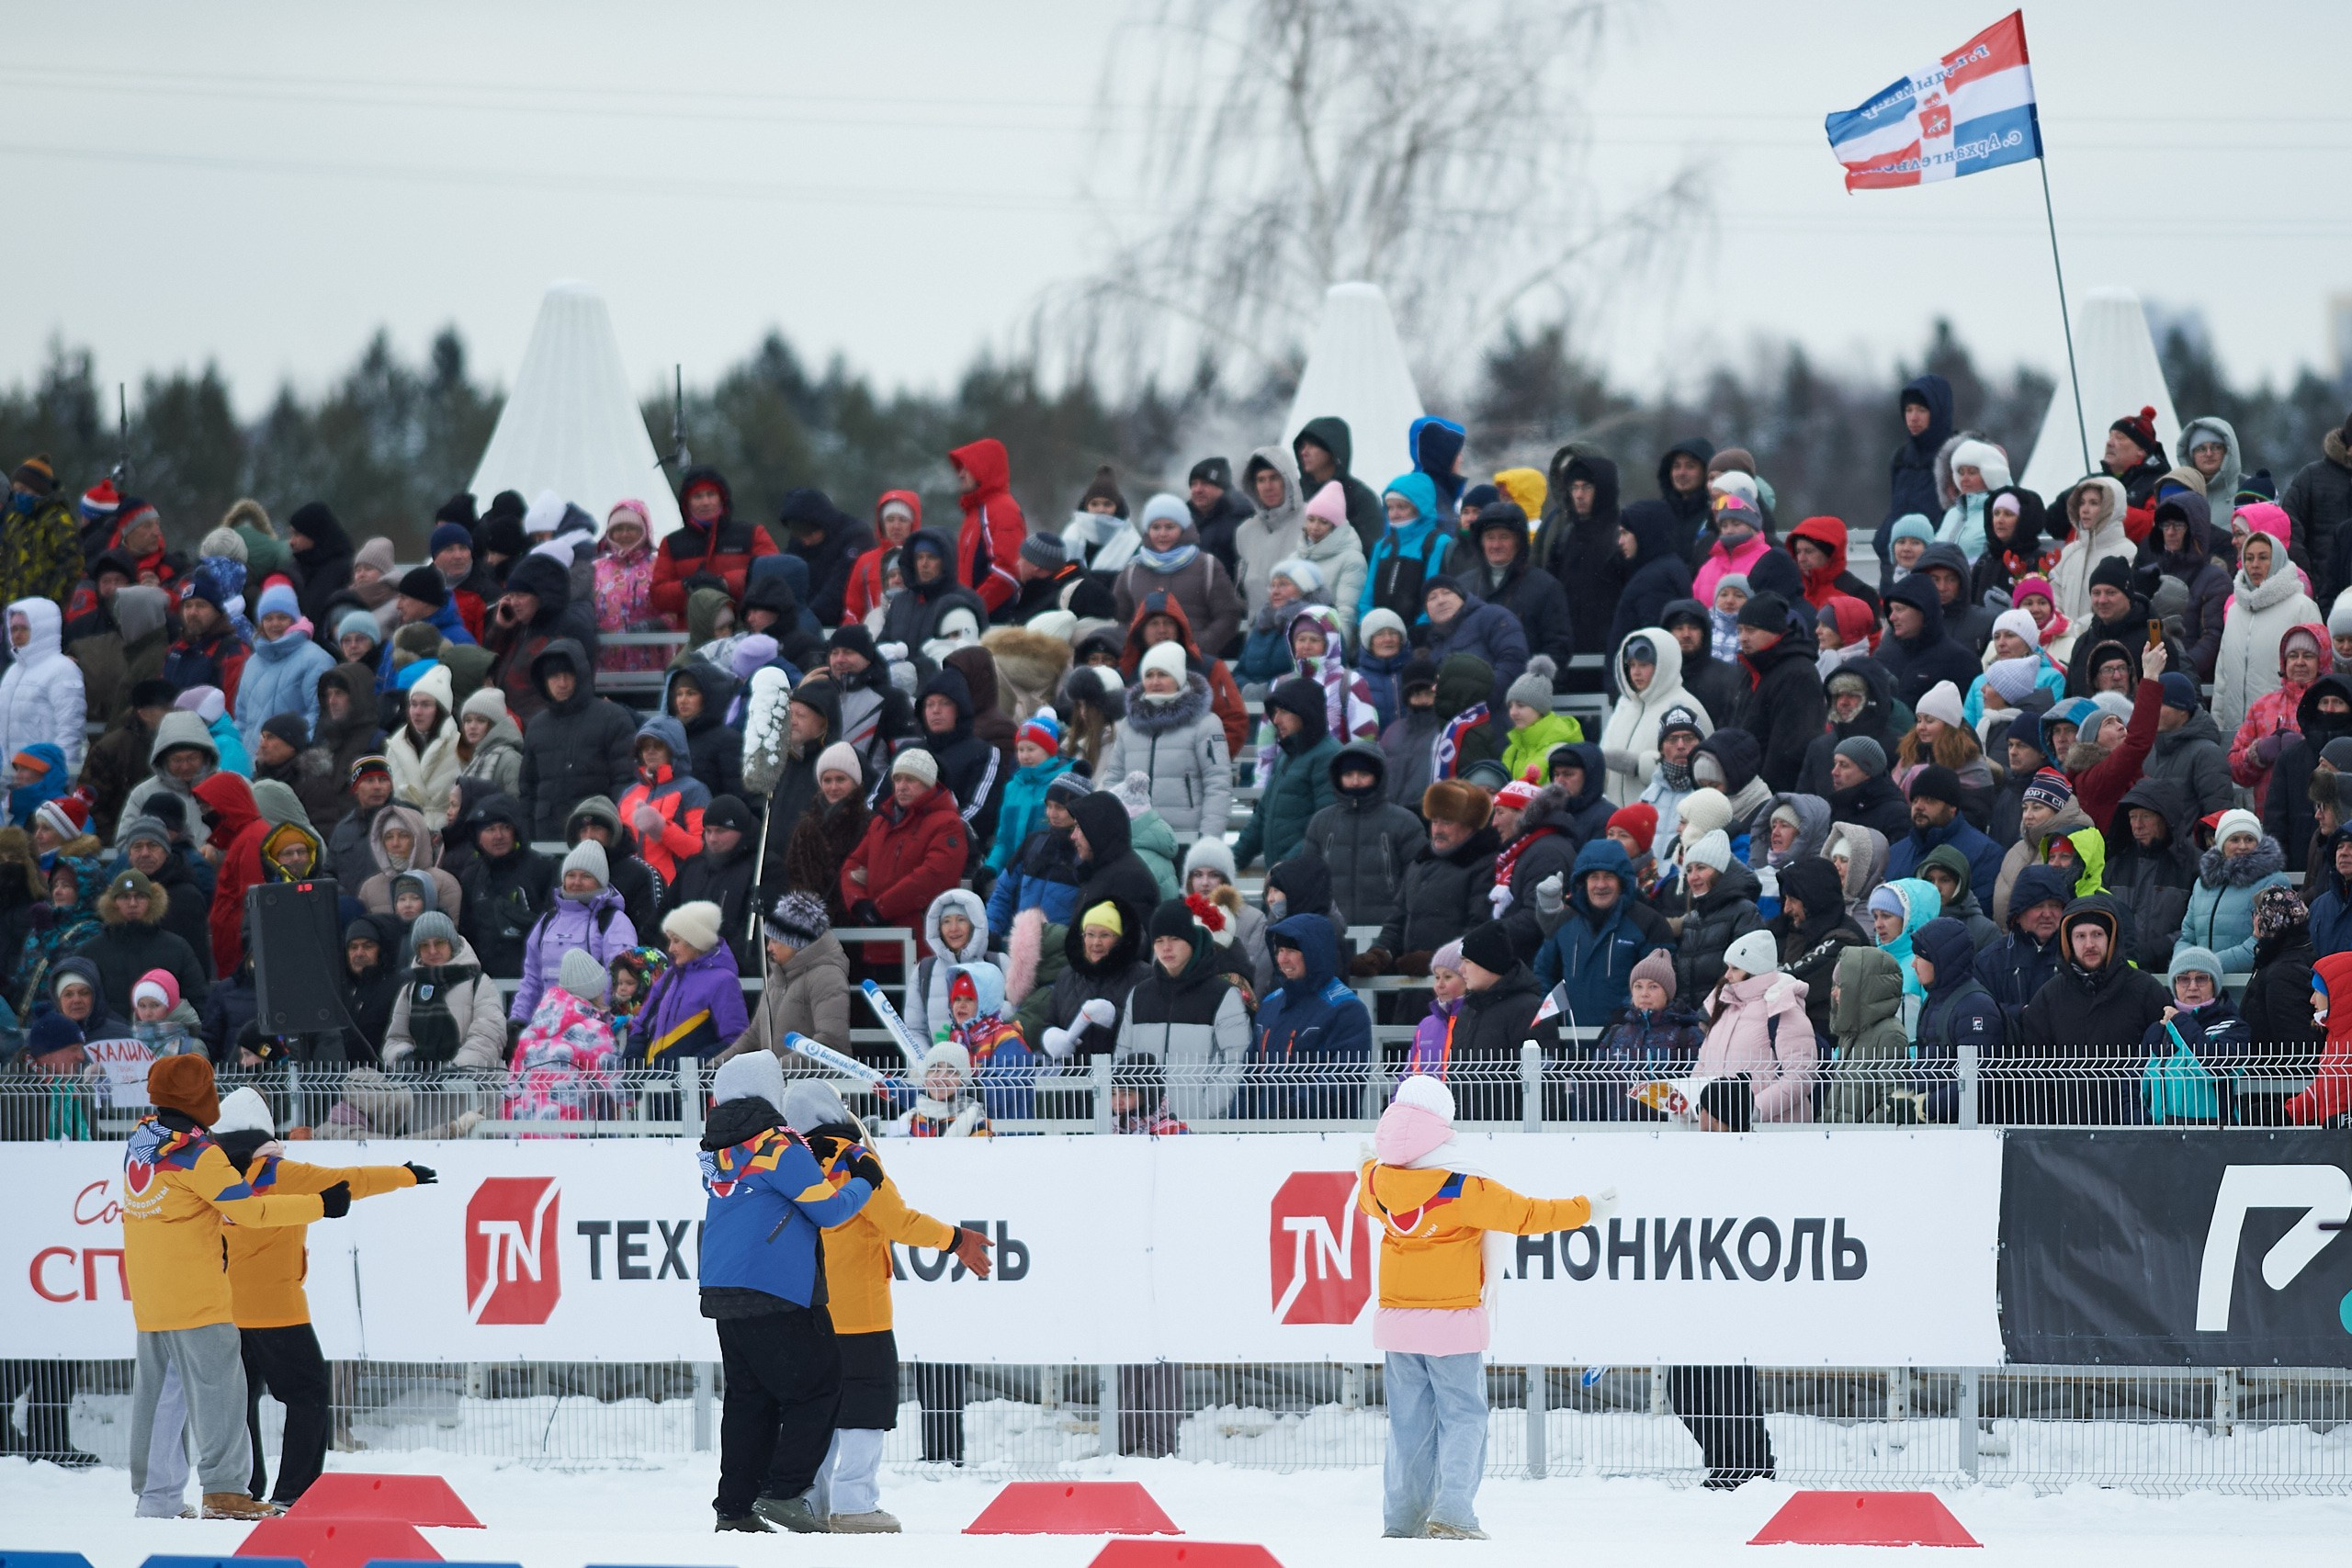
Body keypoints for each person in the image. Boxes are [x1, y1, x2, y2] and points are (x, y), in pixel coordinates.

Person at [1358, 1073, 1609, 1540]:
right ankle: (1453, 1513)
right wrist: (1586, 1208)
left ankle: (1402, 1521)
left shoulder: (1375, 1180)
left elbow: (1367, 1195)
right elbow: (1526, 1214)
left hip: (1397, 1324)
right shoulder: (1462, 1185)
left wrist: (1365, 1166)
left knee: (1408, 1425)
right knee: (1463, 1417)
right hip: (1451, 1322)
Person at [122, 1056, 342, 1521]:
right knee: (222, 1393)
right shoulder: (200, 1155)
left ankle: (156, 1497)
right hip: (199, 1294)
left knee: (161, 1397)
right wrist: (319, 1204)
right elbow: (250, 1211)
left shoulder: (141, 1144)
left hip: (151, 1293)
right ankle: (225, 1492)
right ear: (201, 1098)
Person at [202, 1087, 428, 1506]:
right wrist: (404, 1175)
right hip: (278, 1310)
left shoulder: (216, 1179)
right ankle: (294, 1493)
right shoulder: (282, 1174)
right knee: (308, 1395)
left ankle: (242, 1489)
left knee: (240, 1403)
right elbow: (352, 1180)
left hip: (227, 1309)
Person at [780, 1080, 989, 1532]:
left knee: (818, 1409)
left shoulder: (784, 1162)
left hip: (805, 1308)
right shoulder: (852, 1159)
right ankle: (854, 1504)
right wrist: (954, 1239)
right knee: (865, 1407)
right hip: (860, 1312)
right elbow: (898, 1221)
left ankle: (812, 1502)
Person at [695, 1050, 876, 1532]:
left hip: (722, 1286)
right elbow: (830, 1210)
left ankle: (734, 1508)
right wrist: (865, 1181)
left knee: (748, 1399)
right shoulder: (778, 1145)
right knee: (819, 1386)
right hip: (777, 1286)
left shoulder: (716, 1149)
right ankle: (785, 1491)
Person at [2009, 895, 2171, 1124]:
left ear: (2111, 938)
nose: (2089, 944)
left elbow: (2168, 1064)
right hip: (2069, 1127)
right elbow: (2037, 1077)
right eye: (2080, 936)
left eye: (2097, 934)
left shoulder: (2146, 990)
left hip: (2137, 1126)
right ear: (2068, 941)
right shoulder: (2047, 998)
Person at [1116, 898, 1251, 1123]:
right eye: (1159, 940)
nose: (1166, 948)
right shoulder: (1139, 995)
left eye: (1175, 939)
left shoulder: (1223, 995)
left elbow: (1236, 1063)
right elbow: (1122, 1060)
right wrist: (1135, 1113)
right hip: (1145, 1127)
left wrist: (1204, 1111)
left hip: (1200, 1128)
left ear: (1194, 940)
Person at [838, 750, 967, 956]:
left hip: (922, 948)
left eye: (911, 779)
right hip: (876, 944)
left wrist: (880, 908)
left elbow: (933, 876)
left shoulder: (947, 823)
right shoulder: (880, 823)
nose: (901, 786)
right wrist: (858, 902)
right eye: (897, 779)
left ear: (928, 783)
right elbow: (852, 866)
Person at [1248, 912, 1373, 1120]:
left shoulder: (1346, 1008)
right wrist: (1237, 1125)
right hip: (1265, 1131)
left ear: (1314, 952)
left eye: (1291, 951)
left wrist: (1291, 1111)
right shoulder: (1270, 1004)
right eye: (1279, 950)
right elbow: (1249, 1076)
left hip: (1320, 1133)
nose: (1282, 959)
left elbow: (1344, 1079)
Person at [1295, 744, 1426, 933]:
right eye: (1348, 775)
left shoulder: (1405, 822)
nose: (1355, 782)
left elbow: (1418, 880)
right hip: (1333, 931)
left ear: (1378, 776)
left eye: (1363, 774)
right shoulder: (1321, 821)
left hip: (1388, 933)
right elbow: (1307, 879)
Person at [515, 639, 638, 840]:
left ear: (581, 675)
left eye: (568, 675)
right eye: (554, 676)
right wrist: (528, 837)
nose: (562, 683)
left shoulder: (613, 717)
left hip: (596, 834)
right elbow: (527, 790)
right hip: (546, 835)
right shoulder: (536, 726)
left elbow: (625, 783)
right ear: (543, 680)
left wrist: (615, 831)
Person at [2215, 514, 2321, 740]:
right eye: (2249, 558)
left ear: (2278, 560)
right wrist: (2219, 723)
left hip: (2285, 733)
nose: (2255, 565)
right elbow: (2222, 674)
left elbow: (2316, 672)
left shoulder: (2301, 607)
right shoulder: (2235, 611)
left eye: (2263, 557)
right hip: (2236, 732)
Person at [1111, 492, 1243, 658]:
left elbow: (1228, 615)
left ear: (1183, 529)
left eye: (1169, 527)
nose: (1162, 534)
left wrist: (1199, 645)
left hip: (1195, 661)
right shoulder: (1132, 570)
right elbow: (1120, 617)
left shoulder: (1207, 566)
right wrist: (1135, 646)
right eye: (1156, 527)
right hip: (1144, 663)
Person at [726, 892, 854, 1060]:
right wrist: (716, 1067)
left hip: (808, 1078)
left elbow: (830, 1043)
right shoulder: (776, 977)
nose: (769, 947)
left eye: (775, 941)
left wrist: (777, 1069)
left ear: (795, 942)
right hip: (778, 1076)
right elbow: (755, 1035)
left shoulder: (826, 977)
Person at [1237, 676, 1339, 869]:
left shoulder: (1328, 756)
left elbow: (1325, 827)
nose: (1276, 720)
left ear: (1305, 712)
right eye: (1275, 712)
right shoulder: (1286, 755)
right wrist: (1228, 862)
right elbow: (1261, 817)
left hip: (1306, 877)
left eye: (1283, 711)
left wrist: (1286, 869)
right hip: (1281, 878)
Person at [1730, 594, 1827, 794]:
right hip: (1743, 786)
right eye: (1739, 630)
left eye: (1751, 630)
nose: (1743, 638)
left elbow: (1790, 750)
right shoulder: (1750, 667)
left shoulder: (1798, 674)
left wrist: (1766, 797)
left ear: (1774, 631)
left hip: (1772, 794)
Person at [629, 900, 748, 1063]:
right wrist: (632, 1056)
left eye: (676, 941)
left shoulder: (723, 981)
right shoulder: (670, 976)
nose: (670, 949)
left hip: (697, 1078)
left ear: (696, 942)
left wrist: (697, 1065)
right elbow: (642, 1023)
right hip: (656, 1076)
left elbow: (736, 1038)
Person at [0, 599, 87, 805]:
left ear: (42, 629)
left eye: (24, 628)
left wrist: (57, 778)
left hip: (46, 784)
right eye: (13, 629)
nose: (17, 635)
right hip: (13, 784)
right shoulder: (12, 673)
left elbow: (70, 730)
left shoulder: (63, 670)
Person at [944, 438, 1026, 615]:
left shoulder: (1002, 510)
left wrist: (970, 608)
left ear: (984, 468)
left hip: (995, 622)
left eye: (967, 468)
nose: (960, 474)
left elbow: (1008, 572)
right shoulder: (975, 512)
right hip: (974, 617)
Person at [1293, 415, 1385, 556]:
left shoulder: (1359, 497)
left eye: (1311, 445)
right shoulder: (1293, 493)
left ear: (1332, 449)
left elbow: (1372, 550)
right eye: (1302, 446)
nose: (1304, 452)